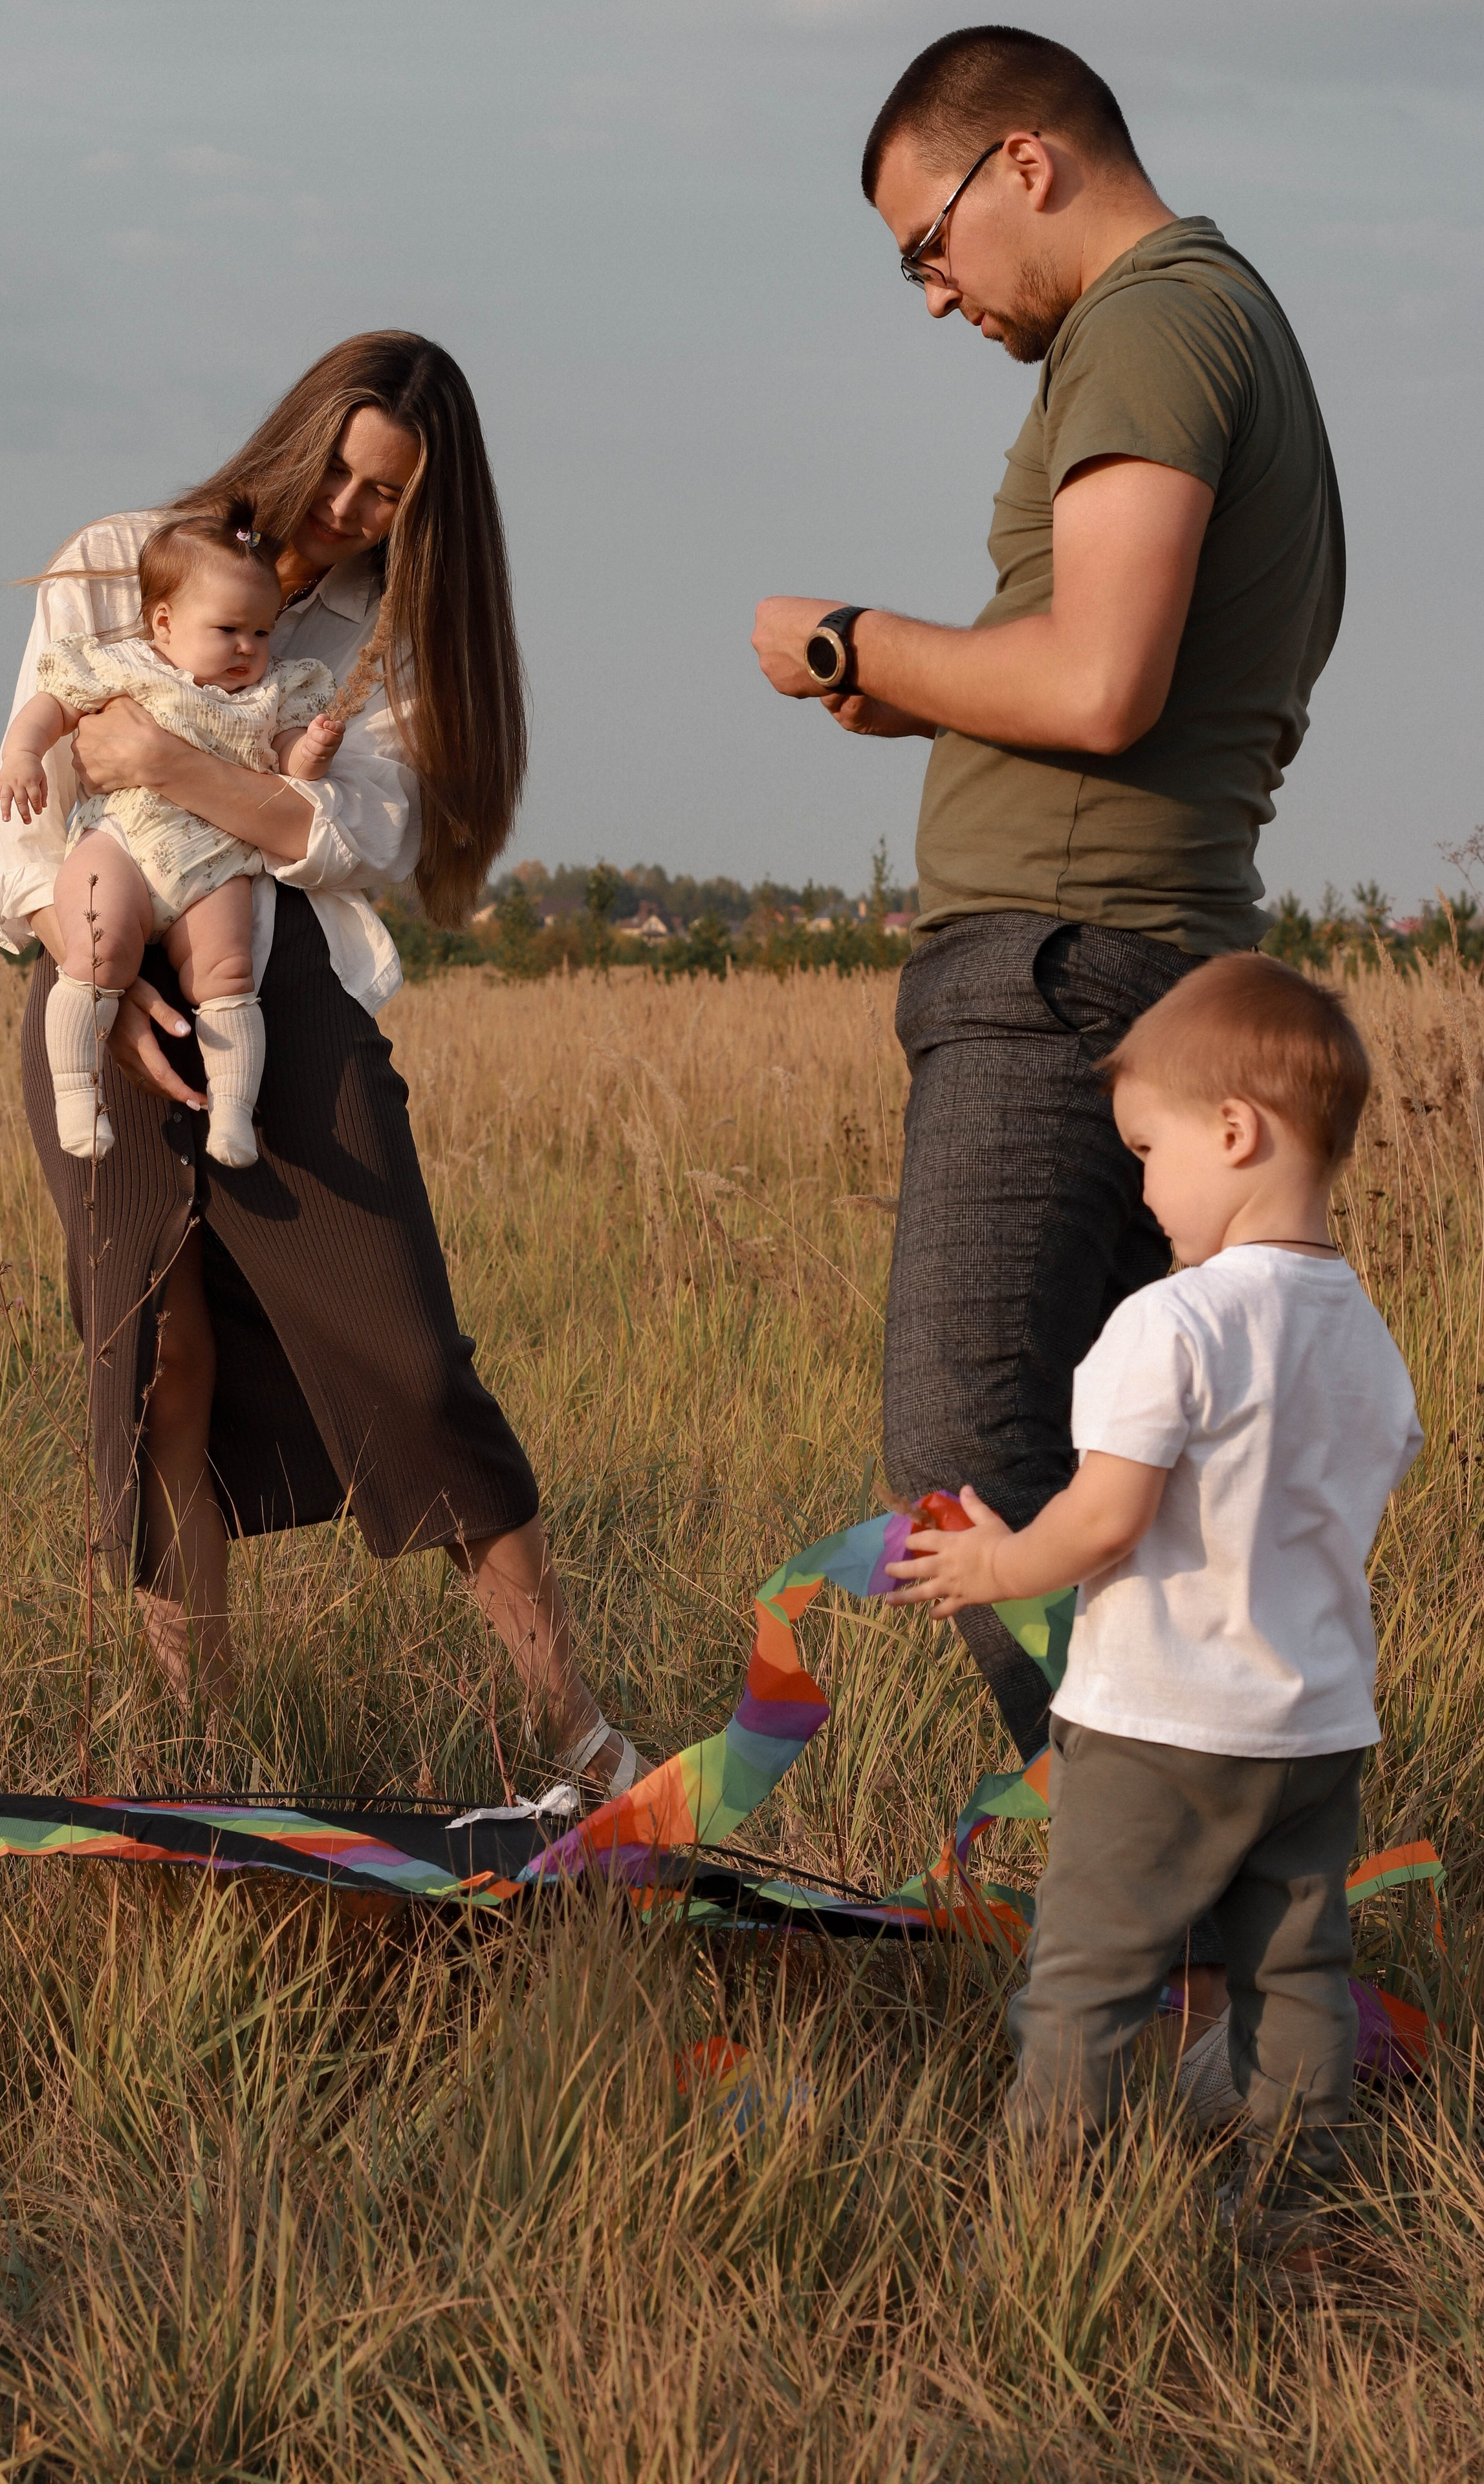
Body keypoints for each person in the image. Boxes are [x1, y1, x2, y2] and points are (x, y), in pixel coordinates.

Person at [750, 28, 1346, 1825]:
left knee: (966, 1458)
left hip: (1067, 970)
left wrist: (846, 639)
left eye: (921, 246)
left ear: (1024, 161)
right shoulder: (1209, 319)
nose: (930, 298)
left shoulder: (1155, 322)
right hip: (1113, 962)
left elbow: (1098, 681)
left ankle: (1140, 1874)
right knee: (1130, 1470)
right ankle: (1196, 1885)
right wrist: (933, 693)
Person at [0, 331, 645, 1795]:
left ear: (427, 512)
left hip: (279, 981)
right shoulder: (113, 560)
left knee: (409, 1354)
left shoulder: (384, 645)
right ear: (297, 439)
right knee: (162, 1364)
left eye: (390, 495)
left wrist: (165, 765)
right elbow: (15, 831)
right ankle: (198, 1760)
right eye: (343, 470)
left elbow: (359, 841)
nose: (351, 508)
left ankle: (579, 1733)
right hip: (95, 968)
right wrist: (102, 983)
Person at [886, 957, 1421, 2252]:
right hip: (1310, 1731)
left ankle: (1043, 2219)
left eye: (1145, 1149)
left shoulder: (1167, 1322)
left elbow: (1107, 1516)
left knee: (1088, 1976)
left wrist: (990, 1567)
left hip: (1155, 1728)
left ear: (1232, 1131)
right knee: (1292, 1974)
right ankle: (1291, 2204)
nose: (1138, 1186)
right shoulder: (1363, 1335)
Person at [0, 505, 345, 1169]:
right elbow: (51, 703)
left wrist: (313, 751)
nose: (248, 647)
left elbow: (294, 766)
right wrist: (23, 754)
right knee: (98, 946)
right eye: (228, 629)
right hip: (122, 836)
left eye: (262, 631)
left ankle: (232, 1111)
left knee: (229, 970)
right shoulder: (125, 665)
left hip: (215, 857)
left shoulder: (275, 691)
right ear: (164, 623)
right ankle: (77, 1092)